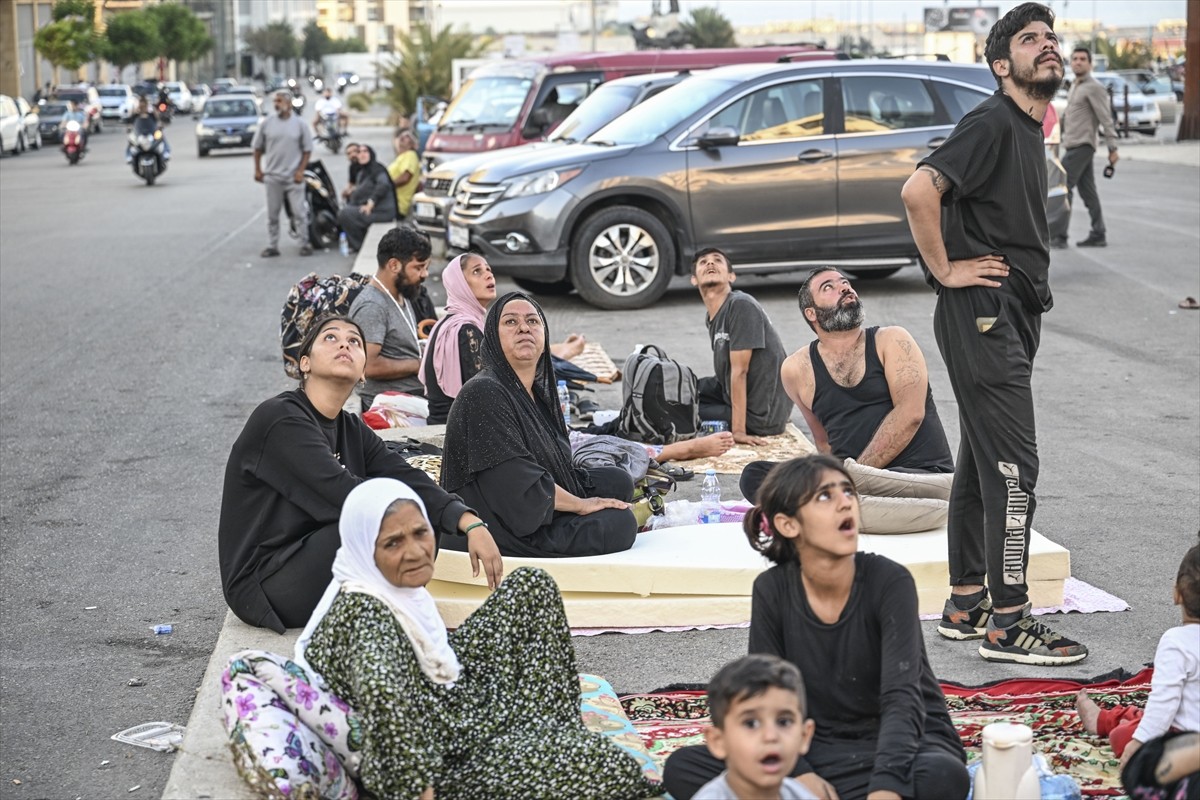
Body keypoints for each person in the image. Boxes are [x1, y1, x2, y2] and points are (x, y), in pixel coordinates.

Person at [900, 2, 1088, 665]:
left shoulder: (1025, 127)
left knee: (984, 462)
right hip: (984, 312)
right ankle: (1008, 621)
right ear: (1001, 65)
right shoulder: (991, 122)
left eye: (1053, 37)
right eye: (1031, 39)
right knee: (1015, 468)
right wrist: (945, 269)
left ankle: (964, 602)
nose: (1050, 46)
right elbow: (919, 190)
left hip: (1007, 311)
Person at [296, 478, 662, 800]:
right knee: (610, 768)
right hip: (445, 759)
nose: (415, 552)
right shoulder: (368, 618)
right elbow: (385, 696)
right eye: (393, 543)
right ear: (365, 549)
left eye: (420, 533)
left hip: (444, 700)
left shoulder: (386, 588)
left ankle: (549, 729)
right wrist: (422, 788)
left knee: (530, 586)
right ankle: (543, 741)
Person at [663, 456, 969, 800]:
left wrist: (887, 785)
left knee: (943, 777)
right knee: (684, 766)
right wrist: (799, 774)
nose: (845, 503)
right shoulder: (772, 589)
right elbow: (764, 694)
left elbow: (902, 697)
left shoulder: (889, 580)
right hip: (809, 745)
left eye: (847, 492)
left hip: (901, 743)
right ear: (789, 524)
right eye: (825, 496)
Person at [218, 315, 502, 633]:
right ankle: (401, 619)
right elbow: (343, 493)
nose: (344, 344)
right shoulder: (280, 419)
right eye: (330, 338)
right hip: (268, 579)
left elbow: (405, 475)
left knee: (419, 513)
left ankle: (397, 618)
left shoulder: (350, 427)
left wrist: (468, 521)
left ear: (363, 372)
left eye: (354, 341)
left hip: (316, 553)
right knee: (395, 518)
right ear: (305, 363)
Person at [741, 268, 955, 535]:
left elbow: (910, 415)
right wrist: (840, 480)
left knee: (935, 496)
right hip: (851, 487)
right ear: (812, 313)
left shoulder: (892, 340)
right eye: (828, 287)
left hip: (916, 478)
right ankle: (837, 507)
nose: (844, 287)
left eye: (845, 282)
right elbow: (824, 443)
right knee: (755, 476)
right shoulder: (795, 369)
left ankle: (817, 510)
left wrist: (849, 477)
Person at [440, 292, 638, 558]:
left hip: (531, 500)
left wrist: (587, 498)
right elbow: (513, 479)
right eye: (511, 322)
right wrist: (581, 505)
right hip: (501, 524)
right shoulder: (484, 392)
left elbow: (553, 464)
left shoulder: (536, 393)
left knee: (618, 481)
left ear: (545, 339)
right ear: (493, 340)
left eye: (533, 321)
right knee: (621, 525)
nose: (524, 327)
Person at [1077, 540, 1199, 765]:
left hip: (1186, 746)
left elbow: (1164, 703)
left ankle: (1106, 721)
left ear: (1177, 594)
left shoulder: (1177, 642)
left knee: (1124, 736)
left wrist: (1138, 742)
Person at [692, 248, 792, 445]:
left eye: (717, 260)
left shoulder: (740, 305)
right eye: (703, 262)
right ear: (693, 279)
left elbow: (740, 371)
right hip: (730, 390)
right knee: (684, 389)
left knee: (681, 408)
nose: (710, 264)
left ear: (732, 276)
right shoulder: (713, 315)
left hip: (761, 417)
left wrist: (738, 431)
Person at [693, 654, 818, 800]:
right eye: (751, 724)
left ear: (804, 736)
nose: (771, 736)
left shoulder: (800, 794)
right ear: (718, 741)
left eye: (784, 722)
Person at [349, 226, 430, 410]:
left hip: (413, 393)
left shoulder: (400, 292)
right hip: (390, 403)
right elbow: (369, 366)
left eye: (425, 267)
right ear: (394, 265)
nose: (424, 274)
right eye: (418, 267)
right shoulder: (372, 306)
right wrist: (419, 364)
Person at [1056, 46, 1120, 249]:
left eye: (1083, 59)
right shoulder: (1075, 85)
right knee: (1088, 191)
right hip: (1072, 144)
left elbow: (1105, 118)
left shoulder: (1095, 87)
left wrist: (1112, 147)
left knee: (1062, 187)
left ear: (1090, 63)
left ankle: (1059, 235)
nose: (1078, 62)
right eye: (1075, 58)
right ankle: (1098, 233)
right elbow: (1069, 116)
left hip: (1083, 145)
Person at [252, 89, 314, 258]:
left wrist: (301, 171)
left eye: (279, 101)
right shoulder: (267, 123)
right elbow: (257, 148)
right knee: (273, 213)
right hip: (272, 176)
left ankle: (304, 243)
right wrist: (258, 169)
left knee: (299, 212)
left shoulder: (300, 124)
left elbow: (307, 150)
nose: (276, 104)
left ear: (289, 103)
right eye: (275, 101)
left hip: (294, 177)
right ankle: (273, 245)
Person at [336, 144, 397, 253]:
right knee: (346, 210)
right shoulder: (362, 172)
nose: (362, 154)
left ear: (371, 154)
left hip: (382, 211)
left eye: (365, 151)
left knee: (345, 213)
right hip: (374, 210)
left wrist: (371, 203)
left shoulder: (377, 169)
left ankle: (358, 245)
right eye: (359, 152)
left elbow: (383, 185)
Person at [123, 96, 171, 165]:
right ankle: (129, 156)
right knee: (130, 140)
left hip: (151, 133)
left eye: (144, 106)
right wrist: (129, 127)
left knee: (161, 136)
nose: (143, 108)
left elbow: (158, 120)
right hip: (139, 134)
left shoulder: (151, 114)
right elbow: (130, 122)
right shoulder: (136, 115)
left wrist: (160, 124)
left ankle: (166, 152)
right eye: (141, 106)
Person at [387, 129, 420, 220]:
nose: (403, 137)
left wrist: (387, 185)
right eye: (401, 136)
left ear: (413, 144)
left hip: (397, 203)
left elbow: (406, 177)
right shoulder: (402, 157)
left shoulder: (410, 155)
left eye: (407, 137)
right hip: (390, 200)